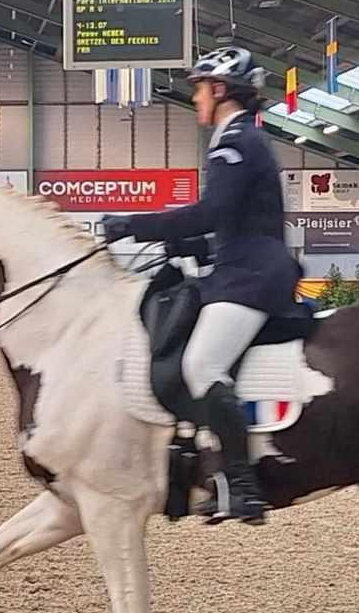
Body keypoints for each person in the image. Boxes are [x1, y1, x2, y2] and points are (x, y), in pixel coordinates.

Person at [102, 47, 298, 525]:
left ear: (219, 90)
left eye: (198, 88)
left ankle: (242, 485)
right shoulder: (239, 138)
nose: (194, 99)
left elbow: (212, 212)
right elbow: (236, 222)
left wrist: (134, 225)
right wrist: (194, 247)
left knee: (202, 363)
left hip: (252, 276)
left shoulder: (237, 141)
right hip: (240, 265)